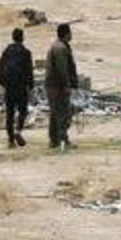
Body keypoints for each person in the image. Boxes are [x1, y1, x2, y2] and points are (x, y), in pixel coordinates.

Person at [0, 27, 34, 148]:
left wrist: (3, 83)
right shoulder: (26, 52)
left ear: (12, 37)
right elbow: (29, 72)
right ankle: (18, 131)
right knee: (23, 111)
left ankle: (11, 141)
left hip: (9, 87)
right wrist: (30, 86)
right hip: (21, 87)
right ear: (22, 38)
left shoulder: (6, 51)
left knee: (10, 114)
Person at [45, 23, 78, 151]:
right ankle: (63, 139)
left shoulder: (57, 46)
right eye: (70, 32)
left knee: (55, 113)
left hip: (52, 85)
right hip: (58, 86)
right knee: (64, 113)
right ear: (67, 34)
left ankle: (54, 140)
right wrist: (66, 85)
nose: (71, 35)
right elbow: (62, 69)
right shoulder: (60, 49)